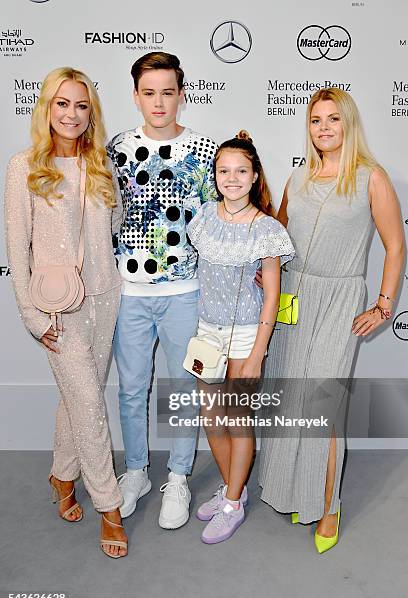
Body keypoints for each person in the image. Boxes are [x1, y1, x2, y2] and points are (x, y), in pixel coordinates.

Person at [259, 88, 405, 553]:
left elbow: (395, 245)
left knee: (323, 404)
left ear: (349, 125)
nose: (323, 128)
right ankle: (287, 490)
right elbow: (276, 237)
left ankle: (328, 505)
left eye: (333, 120)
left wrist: (383, 305)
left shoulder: (371, 178)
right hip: (292, 298)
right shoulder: (297, 179)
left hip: (339, 299)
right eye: (315, 120)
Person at [4, 67, 128, 559]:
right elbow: (18, 249)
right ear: (47, 108)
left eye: (81, 105)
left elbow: (113, 221)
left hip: (105, 296)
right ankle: (111, 507)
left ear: (90, 112)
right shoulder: (24, 166)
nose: (71, 114)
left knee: (81, 397)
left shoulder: (101, 166)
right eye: (62, 104)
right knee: (91, 409)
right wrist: (34, 317)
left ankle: (62, 473)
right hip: (57, 309)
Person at [107, 52, 218, 528]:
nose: (158, 102)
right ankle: (135, 471)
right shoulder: (115, 149)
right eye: (149, 93)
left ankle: (177, 476)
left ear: (181, 94)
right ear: (136, 96)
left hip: (184, 291)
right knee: (132, 390)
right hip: (129, 291)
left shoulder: (206, 151)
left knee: (184, 389)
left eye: (167, 92)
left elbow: (220, 222)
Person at [187, 131, 295, 543]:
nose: (231, 179)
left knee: (237, 417)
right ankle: (235, 488)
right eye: (224, 171)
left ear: (254, 177)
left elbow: (272, 296)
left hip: (246, 333)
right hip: (206, 333)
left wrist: (257, 353)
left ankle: (231, 501)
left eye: (241, 171)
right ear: (215, 175)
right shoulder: (204, 218)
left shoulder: (266, 229)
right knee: (211, 416)